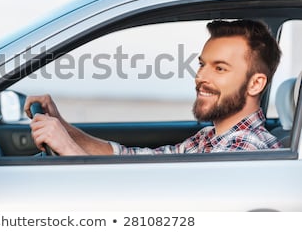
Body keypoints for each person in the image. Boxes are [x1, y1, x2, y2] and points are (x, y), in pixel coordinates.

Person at [25, 19, 283, 156]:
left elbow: (163, 212)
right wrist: (64, 128)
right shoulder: (209, 139)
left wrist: (67, 149)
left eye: (220, 68)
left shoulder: (243, 147)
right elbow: (132, 158)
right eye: (202, 65)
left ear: (255, 83)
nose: (201, 77)